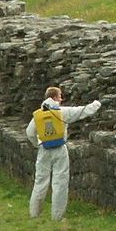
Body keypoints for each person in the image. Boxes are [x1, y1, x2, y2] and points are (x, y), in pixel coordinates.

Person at [25, 86, 101, 221]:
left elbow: (29, 133)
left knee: (40, 181)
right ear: (54, 97)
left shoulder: (37, 115)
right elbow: (81, 111)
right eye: (60, 96)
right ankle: (57, 217)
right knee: (60, 182)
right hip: (60, 148)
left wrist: (38, 144)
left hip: (44, 148)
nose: (61, 99)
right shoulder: (62, 112)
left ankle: (34, 214)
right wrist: (97, 104)